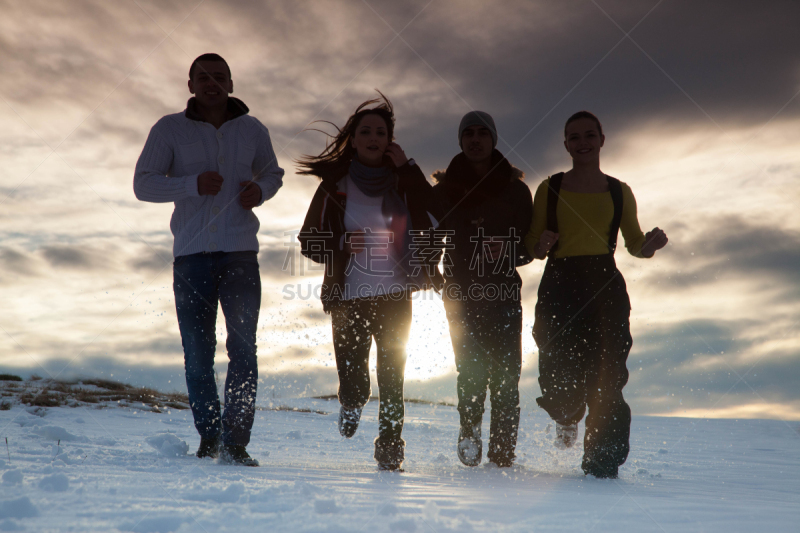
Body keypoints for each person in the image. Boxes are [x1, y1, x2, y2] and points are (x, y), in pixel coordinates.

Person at [134, 53, 284, 466]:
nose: (212, 83)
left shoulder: (252, 129)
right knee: (198, 354)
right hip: (190, 256)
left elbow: (273, 172)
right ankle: (210, 436)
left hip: (240, 253)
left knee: (243, 349)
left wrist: (261, 190)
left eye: (220, 76)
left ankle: (236, 442)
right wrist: (191, 184)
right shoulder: (169, 129)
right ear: (191, 85)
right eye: (204, 77)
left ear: (232, 84)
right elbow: (143, 184)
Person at [296, 93, 441, 471]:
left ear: (390, 140)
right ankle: (352, 401)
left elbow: (439, 214)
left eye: (381, 131)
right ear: (354, 139)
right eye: (366, 131)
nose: (373, 137)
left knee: (393, 378)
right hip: (347, 297)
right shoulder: (335, 184)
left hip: (396, 294)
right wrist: (342, 243)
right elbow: (308, 241)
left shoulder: (404, 180)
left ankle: (391, 448)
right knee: (356, 377)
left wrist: (408, 167)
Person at [526, 111, 668, 479]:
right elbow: (532, 245)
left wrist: (650, 245)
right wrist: (541, 243)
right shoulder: (550, 188)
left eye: (589, 135)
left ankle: (601, 464)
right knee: (559, 374)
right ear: (566, 145)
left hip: (605, 287)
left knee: (608, 379)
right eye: (574, 137)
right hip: (559, 286)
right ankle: (566, 414)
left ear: (602, 140)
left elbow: (635, 245)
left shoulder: (619, 191)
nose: (582, 142)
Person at [432, 111, 533, 467]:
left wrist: (508, 247)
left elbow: (530, 246)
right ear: (461, 141)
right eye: (469, 134)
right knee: (471, 372)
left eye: (482, 133)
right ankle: (470, 432)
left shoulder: (516, 190)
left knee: (507, 376)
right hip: (460, 294)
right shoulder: (443, 191)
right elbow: (428, 236)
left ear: (493, 140)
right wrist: (431, 272)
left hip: (505, 292)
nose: (475, 139)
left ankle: (503, 453)